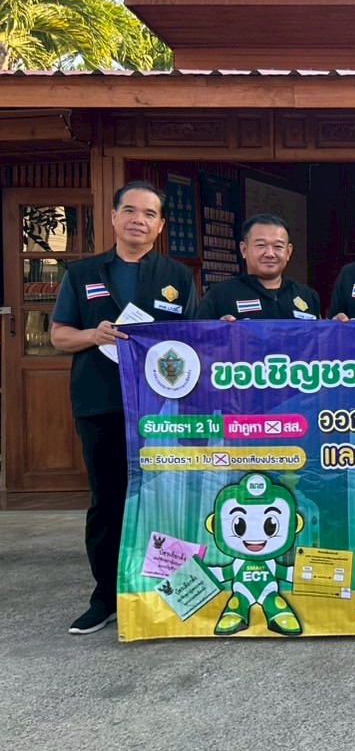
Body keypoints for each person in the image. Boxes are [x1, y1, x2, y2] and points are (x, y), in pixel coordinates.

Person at [50, 181, 200, 634]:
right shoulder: (82, 273)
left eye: (150, 214)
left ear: (161, 225)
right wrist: (92, 335)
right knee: (108, 499)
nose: (139, 220)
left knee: (169, 499)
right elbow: (59, 335)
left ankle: (172, 591)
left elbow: (195, 340)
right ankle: (106, 597)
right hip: (102, 403)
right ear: (114, 217)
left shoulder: (177, 277)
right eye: (130, 211)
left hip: (163, 409)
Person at [198, 214, 321, 321]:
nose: (270, 254)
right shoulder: (218, 295)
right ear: (244, 249)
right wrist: (217, 331)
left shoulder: (308, 296)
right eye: (261, 245)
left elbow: (321, 337)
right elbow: (198, 338)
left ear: (288, 252)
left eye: (278, 246)